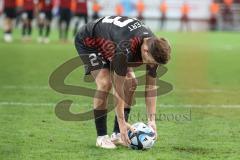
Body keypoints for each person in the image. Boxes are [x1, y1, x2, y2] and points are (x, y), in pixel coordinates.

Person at [74, 16, 171, 149]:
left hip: (112, 41)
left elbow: (151, 87)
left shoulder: (154, 46)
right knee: (105, 83)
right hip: (90, 41)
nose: (152, 65)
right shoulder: (125, 48)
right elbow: (118, 89)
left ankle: (117, 134)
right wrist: (122, 122)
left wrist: (151, 120)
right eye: (151, 61)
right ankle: (101, 137)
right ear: (145, 50)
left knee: (131, 83)